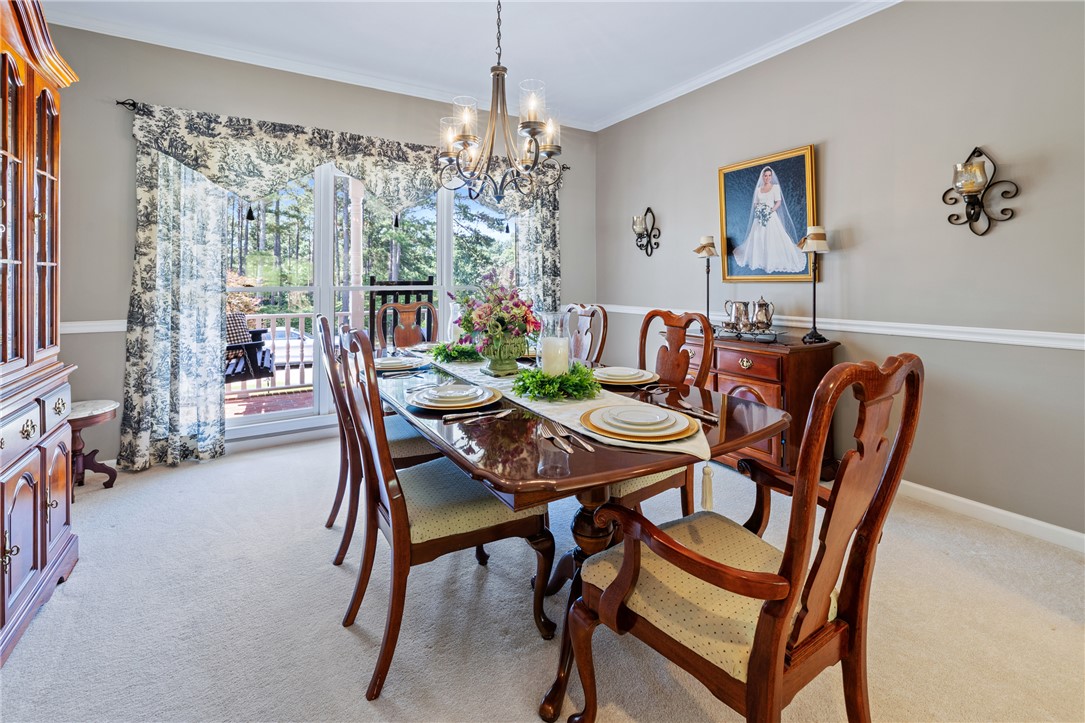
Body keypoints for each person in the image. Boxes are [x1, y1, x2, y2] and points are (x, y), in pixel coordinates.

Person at [733, 166, 808, 273]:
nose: (767, 178)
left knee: (772, 236)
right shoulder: (758, 190)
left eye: (769, 176)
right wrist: (760, 210)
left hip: (771, 216)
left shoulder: (775, 188)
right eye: (765, 176)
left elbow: (778, 202)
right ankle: (760, 259)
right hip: (760, 217)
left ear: (771, 177)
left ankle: (772, 260)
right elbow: (755, 203)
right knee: (758, 237)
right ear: (762, 177)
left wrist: (770, 210)